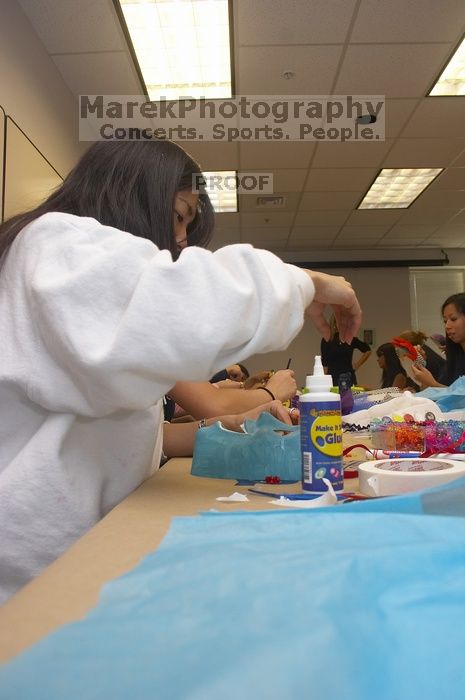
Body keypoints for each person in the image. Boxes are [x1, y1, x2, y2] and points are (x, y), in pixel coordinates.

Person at [0, 138, 361, 603]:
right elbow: (188, 304)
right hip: (34, 577)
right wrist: (311, 283)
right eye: (178, 215)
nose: (181, 239)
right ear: (128, 196)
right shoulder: (53, 243)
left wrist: (223, 427)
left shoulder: (66, 279)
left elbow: (102, 429)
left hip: (79, 549)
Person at [412, 293, 465, 388]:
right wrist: (421, 365)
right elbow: (431, 394)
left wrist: (433, 384)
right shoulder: (454, 357)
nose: (447, 326)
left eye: (453, 319)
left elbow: (460, 398)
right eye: (445, 321)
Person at [320, 315, 371, 386]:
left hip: (348, 377)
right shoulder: (327, 339)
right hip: (332, 378)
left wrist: (356, 365)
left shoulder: (350, 338)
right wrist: (324, 381)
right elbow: (325, 363)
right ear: (334, 323)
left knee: (349, 396)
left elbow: (367, 350)